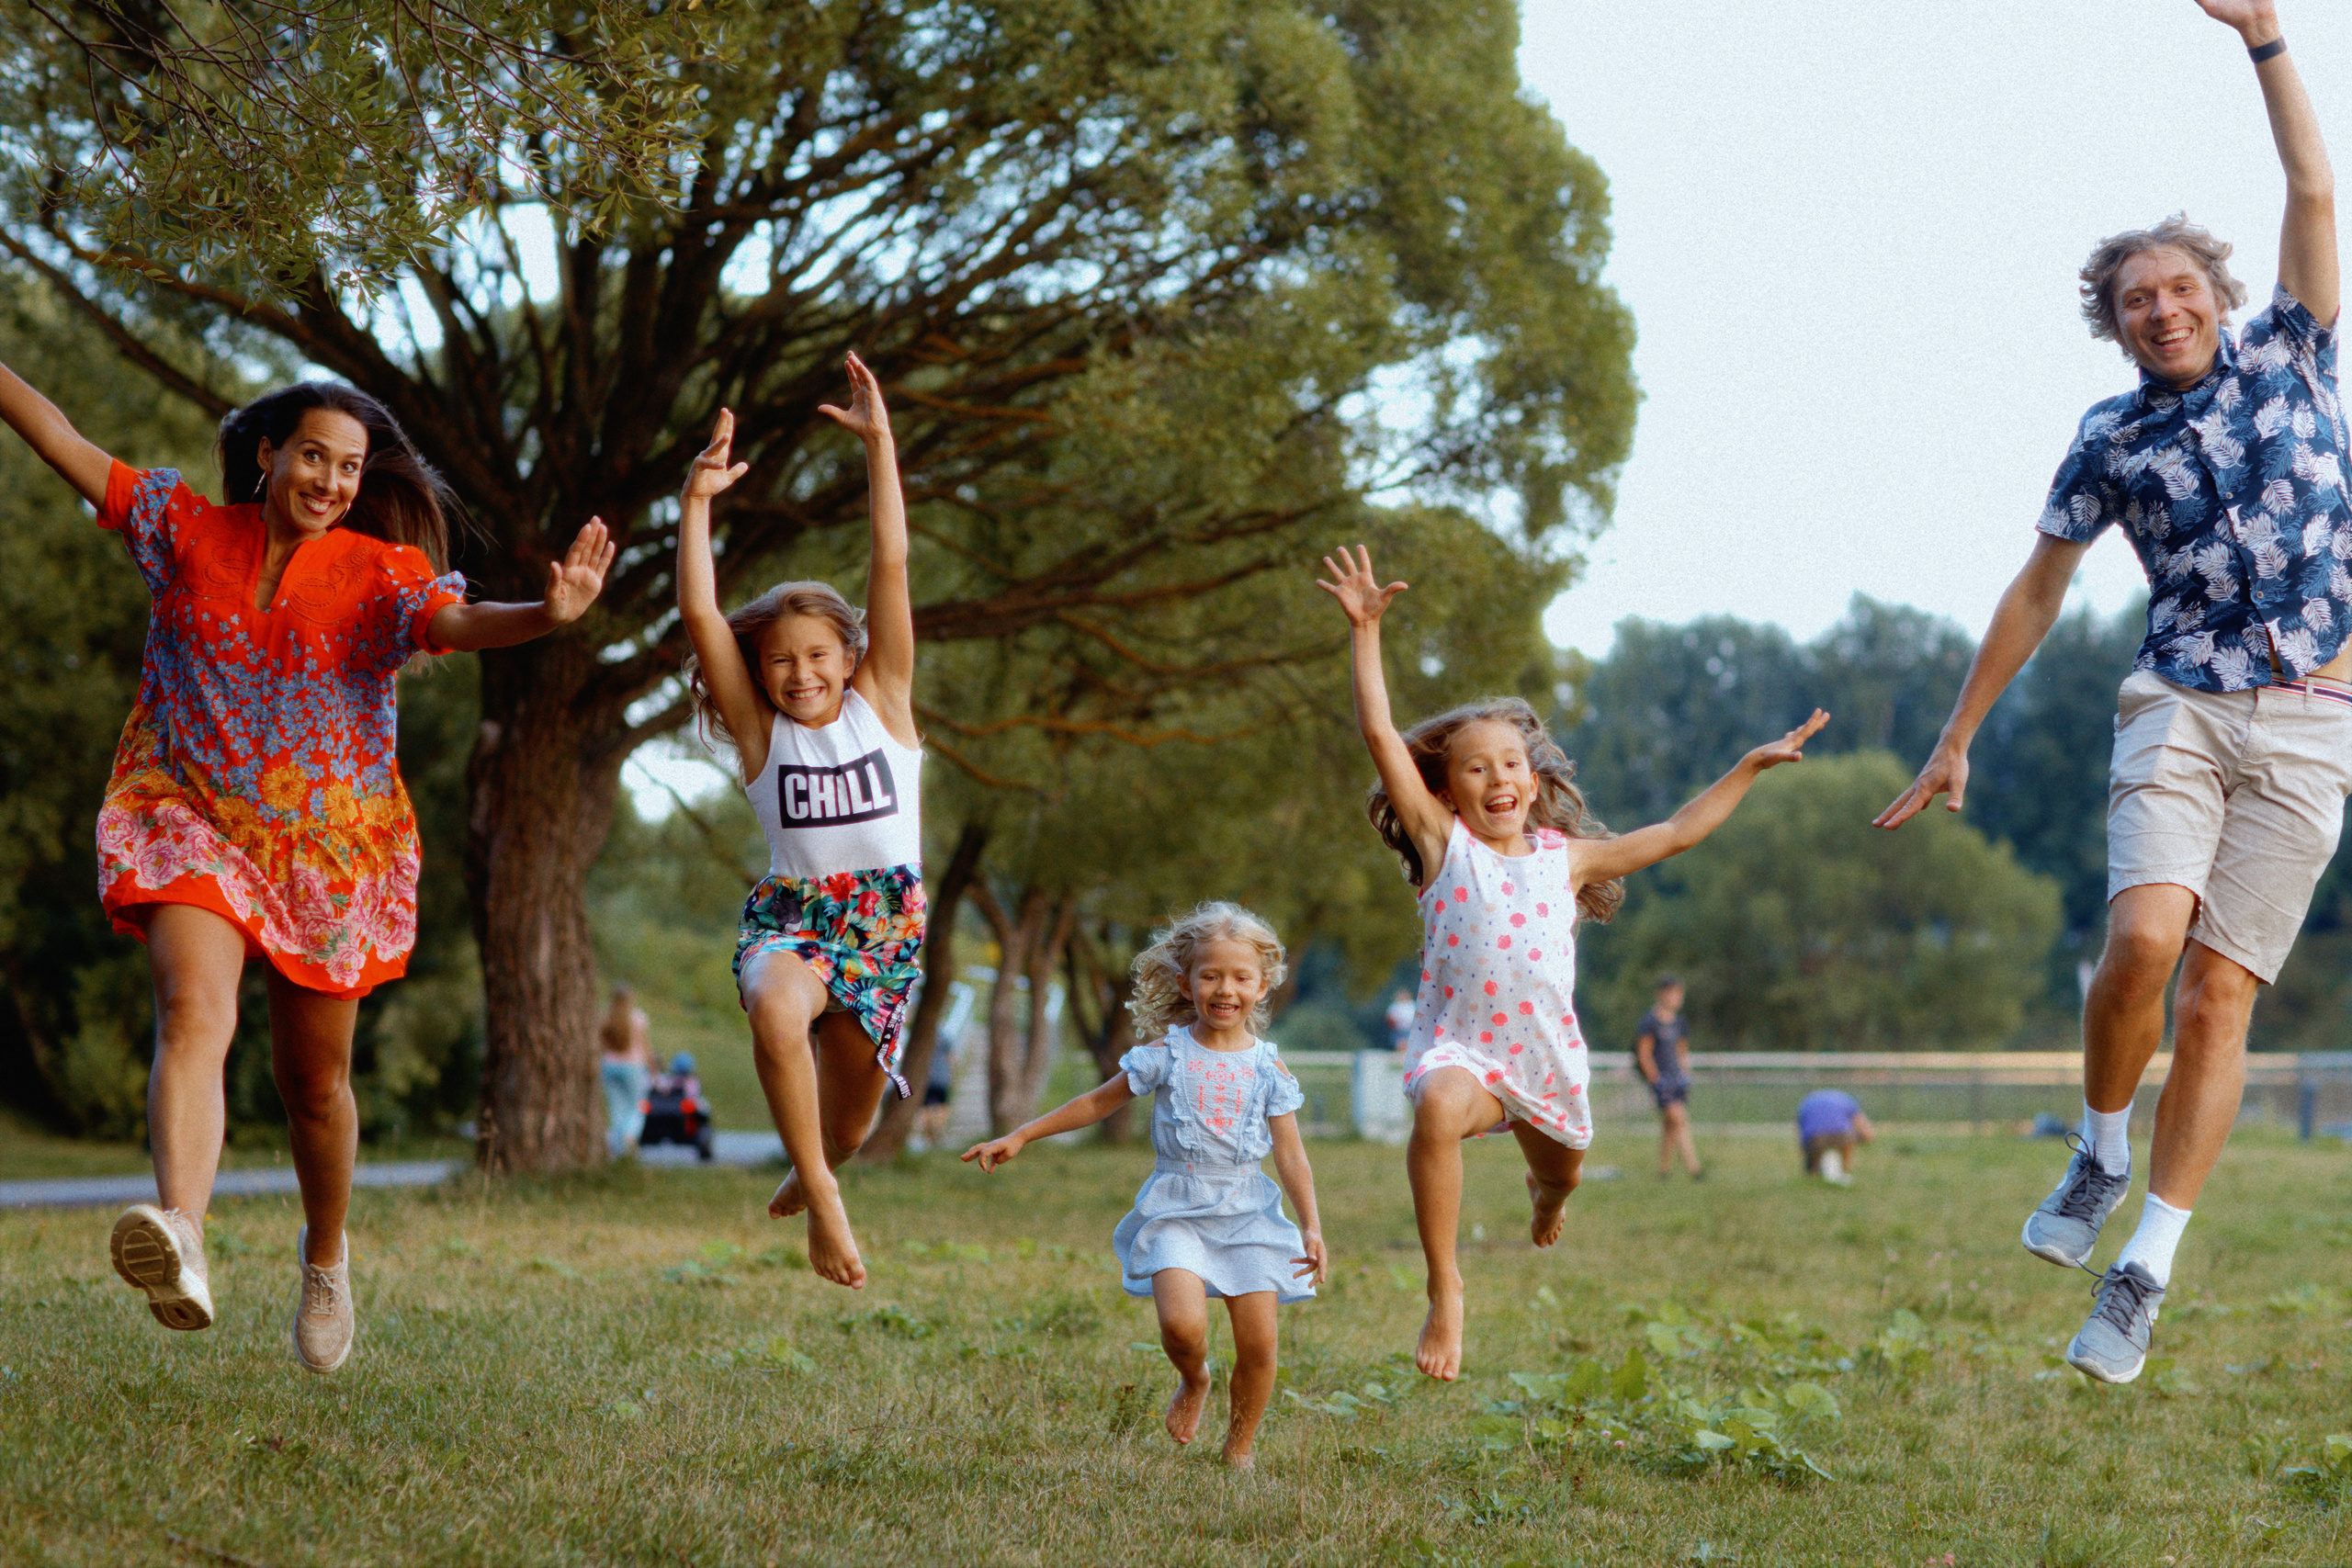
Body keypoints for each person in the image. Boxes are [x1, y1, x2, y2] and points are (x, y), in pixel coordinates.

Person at [1874, 0, 2342, 1385]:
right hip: (2181, 703)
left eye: (2181, 285)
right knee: (2143, 945)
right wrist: (1959, 734)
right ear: (2117, 322)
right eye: (2137, 296)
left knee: (2220, 1000)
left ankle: (2147, 1264)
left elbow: (2316, 186)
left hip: (2318, 718)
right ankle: (2099, 1143)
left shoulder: (2295, 354)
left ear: (2218, 291)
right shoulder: (2109, 436)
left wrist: (2265, 38)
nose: (2164, 306)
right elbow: (2038, 591)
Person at [0, 369, 612, 1371]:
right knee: (194, 1012)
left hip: (329, 850)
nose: (330, 479)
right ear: (268, 456)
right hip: (189, 814)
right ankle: (183, 1235)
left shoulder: (382, 572)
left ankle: (324, 1256)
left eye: (350, 465)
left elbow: (455, 626)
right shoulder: (181, 527)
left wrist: (546, 614)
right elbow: (60, 433)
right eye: (314, 455)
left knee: (313, 1084)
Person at [1317, 545, 1828, 1380]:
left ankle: (1545, 1189)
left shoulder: (1567, 857)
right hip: (1466, 1053)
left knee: (1565, 1177)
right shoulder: (1444, 844)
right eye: (1475, 767)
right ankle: (1446, 1289)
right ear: (1445, 790)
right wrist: (1366, 632)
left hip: (1547, 1061)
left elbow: (1673, 833)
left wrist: (1748, 767)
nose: (1498, 777)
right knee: (1439, 1107)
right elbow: (1380, 732)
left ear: (1531, 776)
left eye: (1511, 763)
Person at [677, 355, 922, 1290]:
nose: (800, 674)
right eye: (778, 659)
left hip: (885, 928)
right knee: (777, 1008)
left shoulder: (885, 705)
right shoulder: (760, 734)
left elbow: (889, 562)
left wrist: (879, 446)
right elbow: (701, 611)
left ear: (849, 653)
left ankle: (818, 1163)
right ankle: (824, 1204)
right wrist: (697, 502)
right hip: (794, 916)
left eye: (818, 654)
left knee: (851, 1125)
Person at [963, 902, 1327, 1470]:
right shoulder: (1165, 1055)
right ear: (1186, 981)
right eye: (1210, 975)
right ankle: (1194, 1377)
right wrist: (1022, 1135)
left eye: (1239, 977)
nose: (1224, 989)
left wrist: (1310, 1224)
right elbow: (1095, 1101)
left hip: (1248, 1212)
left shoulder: (1269, 1071)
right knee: (1182, 1328)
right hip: (1178, 1208)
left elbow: (1291, 1154)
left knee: (1258, 1347)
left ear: (1262, 986)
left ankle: (1239, 1449)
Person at [1634, 976, 1702, 1179]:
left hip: (1676, 1080)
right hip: (1661, 1081)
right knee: (1679, 1120)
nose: (1677, 998)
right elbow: (1644, 1054)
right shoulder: (1649, 1022)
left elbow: (1682, 1052)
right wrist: (1655, 1079)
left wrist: (1685, 1075)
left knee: (1670, 1126)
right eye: (1673, 993)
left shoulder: (1680, 1023)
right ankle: (1694, 1168)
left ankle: (1663, 1170)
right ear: (1661, 994)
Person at [599, 985, 653, 1157]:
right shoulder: (637, 1018)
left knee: (617, 1108)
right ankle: (630, 1136)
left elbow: (601, 1046)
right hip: (633, 1066)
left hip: (609, 1066)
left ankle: (617, 1148)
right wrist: (653, 1066)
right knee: (636, 1106)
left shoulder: (606, 1018)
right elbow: (645, 1046)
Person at [1796, 1090, 1875, 1186]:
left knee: (1813, 1158)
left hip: (1815, 1137)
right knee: (1847, 1139)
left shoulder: (1807, 1102)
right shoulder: (1848, 1101)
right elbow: (1867, 1132)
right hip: (1841, 1135)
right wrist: (1861, 1139)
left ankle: (1814, 1171)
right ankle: (1844, 1170)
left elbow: (1802, 1131)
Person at [1384, 987, 1417, 1052]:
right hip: (1398, 1029)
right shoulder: (1394, 1006)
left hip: (1410, 1029)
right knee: (1400, 1044)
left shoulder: (1412, 1005)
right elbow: (1390, 1017)